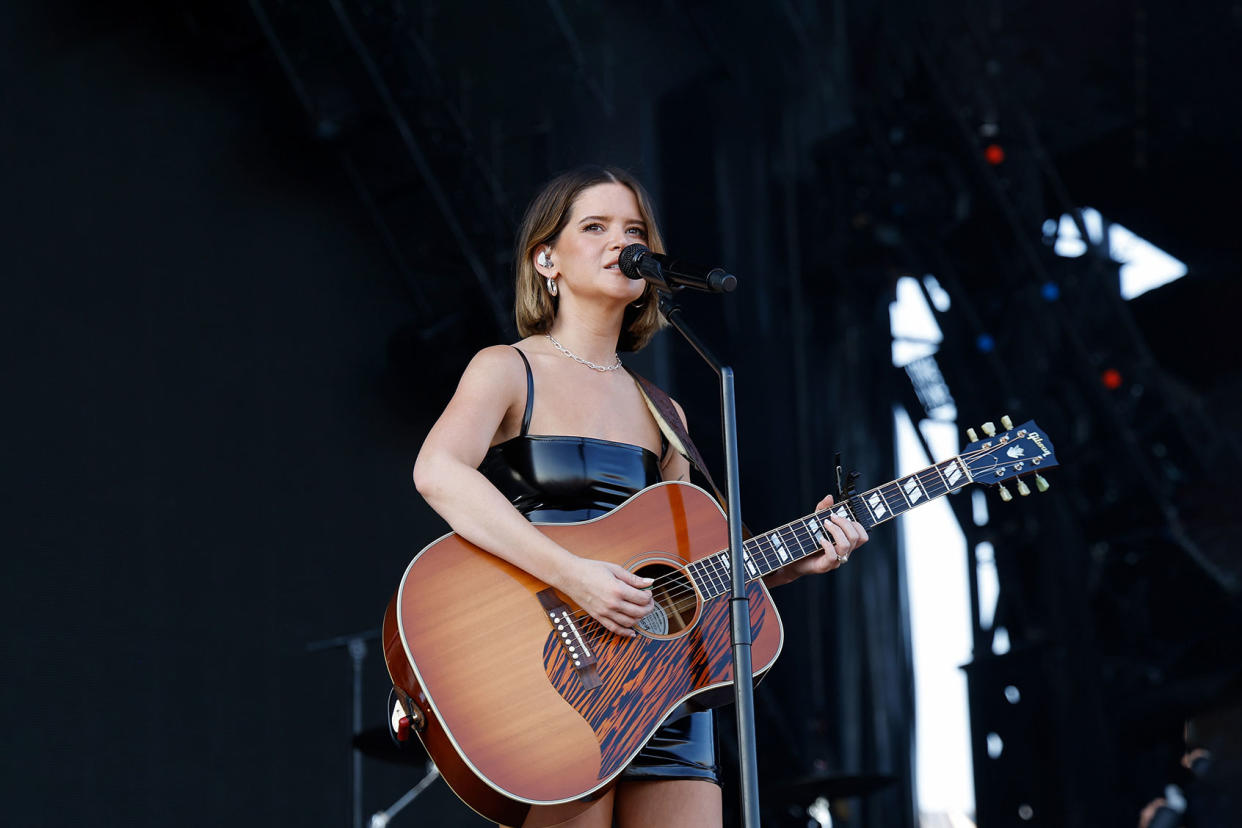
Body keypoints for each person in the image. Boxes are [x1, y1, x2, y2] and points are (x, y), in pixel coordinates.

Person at [412, 164, 869, 828]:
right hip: (558, 671)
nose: (619, 242)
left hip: (664, 683)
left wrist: (794, 560)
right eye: (593, 227)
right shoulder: (507, 368)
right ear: (547, 258)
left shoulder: (664, 411)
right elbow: (439, 473)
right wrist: (575, 575)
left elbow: (688, 563)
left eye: (632, 230)